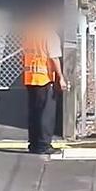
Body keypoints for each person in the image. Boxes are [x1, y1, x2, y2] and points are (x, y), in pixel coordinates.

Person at [22, 14, 67, 155]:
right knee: (46, 114)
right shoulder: (50, 35)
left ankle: (34, 144)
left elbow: (24, 54)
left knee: (34, 113)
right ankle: (43, 145)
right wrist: (61, 78)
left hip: (30, 78)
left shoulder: (30, 33)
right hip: (44, 79)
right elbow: (53, 58)